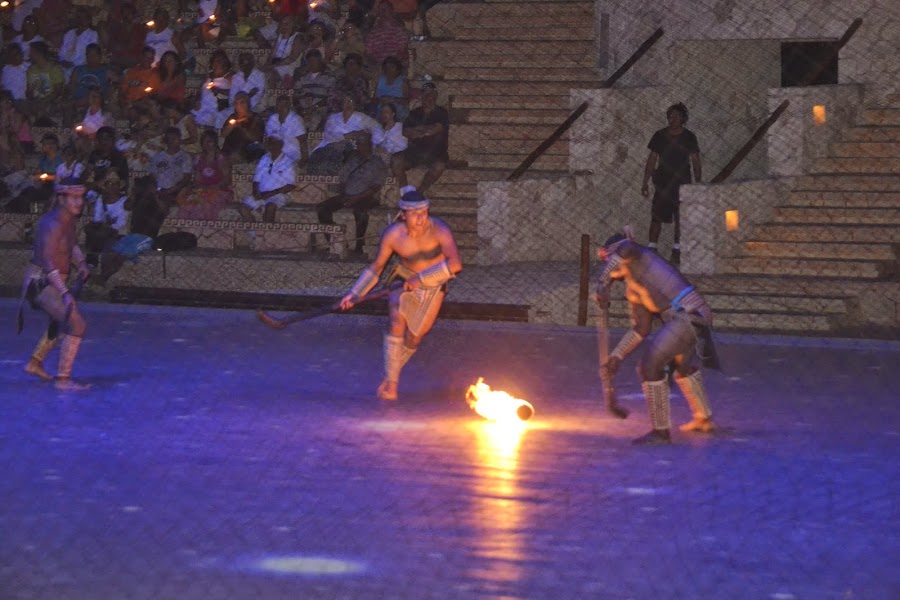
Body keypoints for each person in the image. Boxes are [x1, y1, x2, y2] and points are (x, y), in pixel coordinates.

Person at [595, 230, 720, 445]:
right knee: (682, 367)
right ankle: (704, 419)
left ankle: (661, 432)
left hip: (687, 313)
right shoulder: (632, 289)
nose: (609, 263)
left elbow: (626, 248)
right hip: (685, 318)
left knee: (649, 366)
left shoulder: (638, 254)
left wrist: (603, 282)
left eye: (609, 258)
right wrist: (616, 357)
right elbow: (640, 329)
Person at [339, 187, 463, 401]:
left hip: (434, 283)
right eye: (415, 214)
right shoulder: (393, 235)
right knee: (397, 320)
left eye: (424, 212)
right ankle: (393, 385)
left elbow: (455, 264)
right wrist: (354, 293)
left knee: (414, 338)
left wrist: (421, 279)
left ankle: (390, 374)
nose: (421, 218)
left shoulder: (440, 230)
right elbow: (377, 267)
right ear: (403, 215)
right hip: (403, 278)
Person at [18, 181, 92, 391]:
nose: (79, 202)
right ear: (62, 199)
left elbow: (70, 244)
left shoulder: (68, 220)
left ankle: (35, 363)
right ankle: (63, 380)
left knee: (60, 325)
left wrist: (82, 263)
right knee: (77, 325)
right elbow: (48, 261)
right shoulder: (51, 223)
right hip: (41, 282)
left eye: (81, 198)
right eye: (74, 198)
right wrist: (65, 292)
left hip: (51, 282)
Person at [640, 103, 701, 267]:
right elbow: (652, 159)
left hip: (682, 182)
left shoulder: (689, 137)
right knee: (656, 216)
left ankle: (677, 250)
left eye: (675, 116)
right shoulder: (659, 135)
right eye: (670, 116)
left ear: (683, 118)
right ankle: (652, 248)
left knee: (680, 217)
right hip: (662, 182)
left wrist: (698, 183)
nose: (672, 119)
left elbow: (695, 160)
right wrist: (645, 181)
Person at [316, 130, 387, 255]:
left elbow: (376, 187)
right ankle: (335, 240)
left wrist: (356, 198)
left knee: (361, 213)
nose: (360, 147)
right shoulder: (353, 159)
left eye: (363, 144)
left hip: (367, 196)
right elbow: (342, 178)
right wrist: (344, 194)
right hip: (348, 194)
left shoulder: (377, 163)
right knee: (322, 208)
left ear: (370, 146)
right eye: (359, 144)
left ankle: (359, 245)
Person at [399, 80, 448, 194]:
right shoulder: (414, 113)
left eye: (431, 94)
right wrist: (426, 129)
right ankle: (405, 192)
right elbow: (405, 131)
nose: (428, 96)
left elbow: (437, 128)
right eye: (425, 94)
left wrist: (418, 132)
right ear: (422, 96)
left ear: (435, 96)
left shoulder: (441, 112)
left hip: (435, 153)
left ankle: (419, 193)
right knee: (397, 161)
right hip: (415, 152)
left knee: (439, 167)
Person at [239, 133, 297, 226]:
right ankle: (255, 234)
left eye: (275, 143)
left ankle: (267, 236)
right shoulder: (264, 159)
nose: (272, 146)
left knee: (270, 207)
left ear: (281, 144)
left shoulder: (288, 162)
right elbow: (256, 179)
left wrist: (271, 193)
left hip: (279, 195)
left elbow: (291, 185)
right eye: (270, 143)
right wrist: (255, 192)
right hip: (262, 194)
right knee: (243, 208)